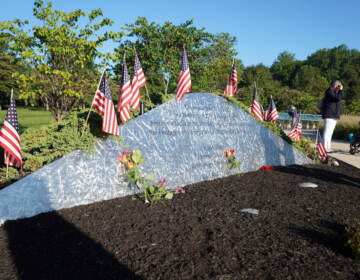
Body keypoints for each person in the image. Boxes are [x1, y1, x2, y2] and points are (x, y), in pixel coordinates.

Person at [321, 80, 344, 152]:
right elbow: (337, 99)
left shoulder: (335, 93)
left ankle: (328, 147)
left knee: (330, 133)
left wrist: (339, 91)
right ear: (334, 85)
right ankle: (324, 147)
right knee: (327, 132)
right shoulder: (329, 91)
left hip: (334, 115)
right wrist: (340, 91)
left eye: (339, 86)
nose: (338, 87)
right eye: (337, 85)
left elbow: (338, 98)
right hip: (329, 115)